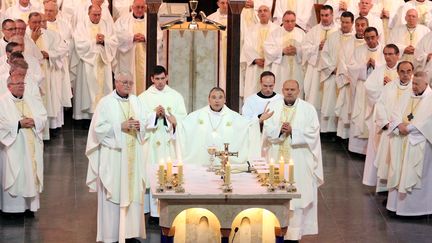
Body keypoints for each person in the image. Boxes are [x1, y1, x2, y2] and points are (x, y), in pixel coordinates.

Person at [85, 73, 147, 242]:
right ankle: (111, 235)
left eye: (130, 82)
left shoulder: (136, 101)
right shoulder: (105, 103)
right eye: (124, 82)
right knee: (115, 194)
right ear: (116, 83)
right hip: (114, 156)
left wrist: (140, 125)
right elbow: (97, 130)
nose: (128, 85)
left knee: (132, 193)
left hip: (133, 157)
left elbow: (145, 122)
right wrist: (120, 126)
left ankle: (130, 233)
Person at [263, 80, 323, 241]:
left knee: (297, 199)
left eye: (292, 89)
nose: (289, 92)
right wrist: (279, 131)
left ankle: (294, 235)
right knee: (276, 195)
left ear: (298, 91)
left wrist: (294, 131)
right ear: (282, 90)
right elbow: (266, 130)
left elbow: (314, 133)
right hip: (275, 158)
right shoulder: (272, 106)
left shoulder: (308, 109)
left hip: (300, 159)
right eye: (287, 89)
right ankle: (274, 231)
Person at [138, 65, 187, 218]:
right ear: (152, 79)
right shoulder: (143, 97)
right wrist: (154, 115)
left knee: (167, 174)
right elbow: (139, 120)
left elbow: (182, 119)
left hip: (168, 142)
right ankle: (151, 213)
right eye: (156, 79)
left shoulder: (176, 96)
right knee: (150, 176)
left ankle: (166, 212)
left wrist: (171, 119)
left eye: (162, 78)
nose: (160, 82)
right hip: (151, 142)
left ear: (167, 77)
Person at [0, 68, 47, 216]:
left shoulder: (30, 98)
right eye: (17, 83)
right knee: (17, 174)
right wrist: (19, 124)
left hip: (31, 145)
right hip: (14, 147)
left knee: (30, 173)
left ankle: (29, 207)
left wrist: (35, 121)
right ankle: (12, 209)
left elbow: (42, 115)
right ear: (9, 86)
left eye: (23, 83)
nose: (21, 86)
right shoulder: (3, 102)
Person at [177, 87, 261, 169]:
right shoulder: (197, 115)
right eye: (213, 97)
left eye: (220, 97)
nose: (217, 101)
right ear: (209, 99)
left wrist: (259, 119)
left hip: (225, 163)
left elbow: (248, 125)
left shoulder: (233, 116)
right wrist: (175, 123)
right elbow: (183, 126)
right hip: (202, 164)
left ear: (224, 100)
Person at [386, 71, 432, 216]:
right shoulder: (408, 95)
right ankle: (396, 206)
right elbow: (395, 112)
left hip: (419, 144)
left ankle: (417, 209)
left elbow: (428, 122)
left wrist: (409, 128)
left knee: (417, 174)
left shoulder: (430, 99)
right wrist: (399, 125)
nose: (414, 86)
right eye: (413, 83)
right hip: (402, 140)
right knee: (399, 170)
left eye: (417, 84)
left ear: (426, 84)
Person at [368, 60, 413, 193]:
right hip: (389, 131)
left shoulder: (414, 88)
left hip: (404, 134)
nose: (405, 74)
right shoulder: (389, 87)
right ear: (397, 72)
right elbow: (380, 105)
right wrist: (385, 123)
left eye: (409, 71)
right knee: (387, 162)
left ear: (412, 72)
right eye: (402, 71)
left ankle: (398, 189)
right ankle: (388, 191)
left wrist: (407, 124)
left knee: (401, 164)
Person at [27, 12, 72, 138]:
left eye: (39, 22)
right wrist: (33, 40)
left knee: (51, 98)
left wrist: (50, 54)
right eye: (34, 22)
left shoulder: (51, 34)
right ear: (28, 23)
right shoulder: (25, 36)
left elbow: (64, 48)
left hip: (49, 74)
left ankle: (52, 127)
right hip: (33, 76)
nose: (37, 25)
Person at [72, 4, 118, 121]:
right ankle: (87, 117)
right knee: (88, 90)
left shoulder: (106, 24)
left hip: (103, 60)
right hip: (88, 63)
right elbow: (79, 43)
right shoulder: (82, 25)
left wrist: (105, 42)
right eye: (94, 14)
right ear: (88, 13)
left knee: (103, 88)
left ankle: (104, 115)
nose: (97, 17)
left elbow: (114, 41)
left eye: (99, 14)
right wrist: (94, 41)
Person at [347, 26, 385, 154]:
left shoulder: (384, 50)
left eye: (372, 37)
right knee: (361, 115)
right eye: (367, 38)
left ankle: (374, 148)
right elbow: (351, 68)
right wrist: (364, 66)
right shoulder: (358, 50)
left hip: (378, 90)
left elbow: (390, 67)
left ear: (377, 37)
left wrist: (376, 65)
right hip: (362, 88)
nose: (370, 40)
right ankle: (358, 148)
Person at [115, 0, 163, 95]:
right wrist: (131, 38)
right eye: (137, 7)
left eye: (142, 7)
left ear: (146, 7)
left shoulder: (151, 21)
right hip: (129, 60)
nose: (140, 10)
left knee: (145, 79)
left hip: (146, 58)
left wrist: (146, 38)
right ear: (132, 7)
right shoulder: (123, 20)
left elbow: (159, 36)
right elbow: (116, 36)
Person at [319, 11, 355, 134]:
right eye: (342, 22)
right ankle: (330, 131)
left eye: (347, 22)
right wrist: (332, 69)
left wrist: (347, 72)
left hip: (347, 78)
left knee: (345, 106)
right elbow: (324, 54)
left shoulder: (355, 39)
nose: (344, 25)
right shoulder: (333, 36)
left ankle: (343, 133)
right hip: (333, 75)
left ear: (352, 23)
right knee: (331, 103)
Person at [301, 5, 337, 117]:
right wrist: (318, 47)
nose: (324, 18)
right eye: (322, 15)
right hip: (316, 69)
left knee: (331, 99)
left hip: (332, 71)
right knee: (314, 97)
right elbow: (304, 48)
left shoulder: (338, 30)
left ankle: (330, 129)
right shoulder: (313, 31)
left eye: (327, 15)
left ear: (332, 15)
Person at [241, 5, 278, 98]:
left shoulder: (277, 29)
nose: (262, 13)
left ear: (270, 13)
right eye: (260, 11)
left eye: (265, 10)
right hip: (256, 65)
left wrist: (269, 59)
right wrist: (255, 59)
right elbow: (247, 47)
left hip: (271, 65)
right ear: (257, 14)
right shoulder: (251, 29)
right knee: (253, 90)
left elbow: (279, 47)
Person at [264, 10, 305, 96]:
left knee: (297, 93)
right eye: (287, 21)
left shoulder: (301, 33)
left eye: (292, 21)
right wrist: (282, 51)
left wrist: (297, 50)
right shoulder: (275, 33)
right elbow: (268, 50)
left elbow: (307, 50)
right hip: (280, 69)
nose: (290, 23)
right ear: (282, 21)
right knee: (280, 91)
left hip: (297, 69)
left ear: (295, 21)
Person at [208, 0, 228, 89]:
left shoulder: (237, 18)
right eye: (222, 3)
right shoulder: (210, 19)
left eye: (227, 3)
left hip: (230, 50)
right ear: (218, 4)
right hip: (216, 50)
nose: (225, 5)